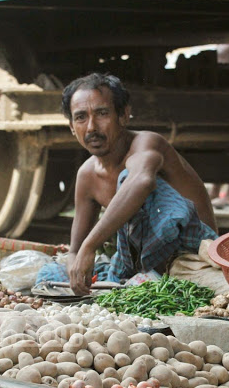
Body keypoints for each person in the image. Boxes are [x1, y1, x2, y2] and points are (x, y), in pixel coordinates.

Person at [36, 73, 218, 295]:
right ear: (72, 127)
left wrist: (90, 246)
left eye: (102, 114)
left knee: (127, 179)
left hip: (191, 254)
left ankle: (148, 280)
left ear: (123, 115)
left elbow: (141, 181)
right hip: (138, 268)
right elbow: (75, 250)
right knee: (49, 275)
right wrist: (77, 271)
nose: (91, 127)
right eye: (81, 117)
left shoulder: (147, 143)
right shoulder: (87, 174)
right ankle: (140, 281)